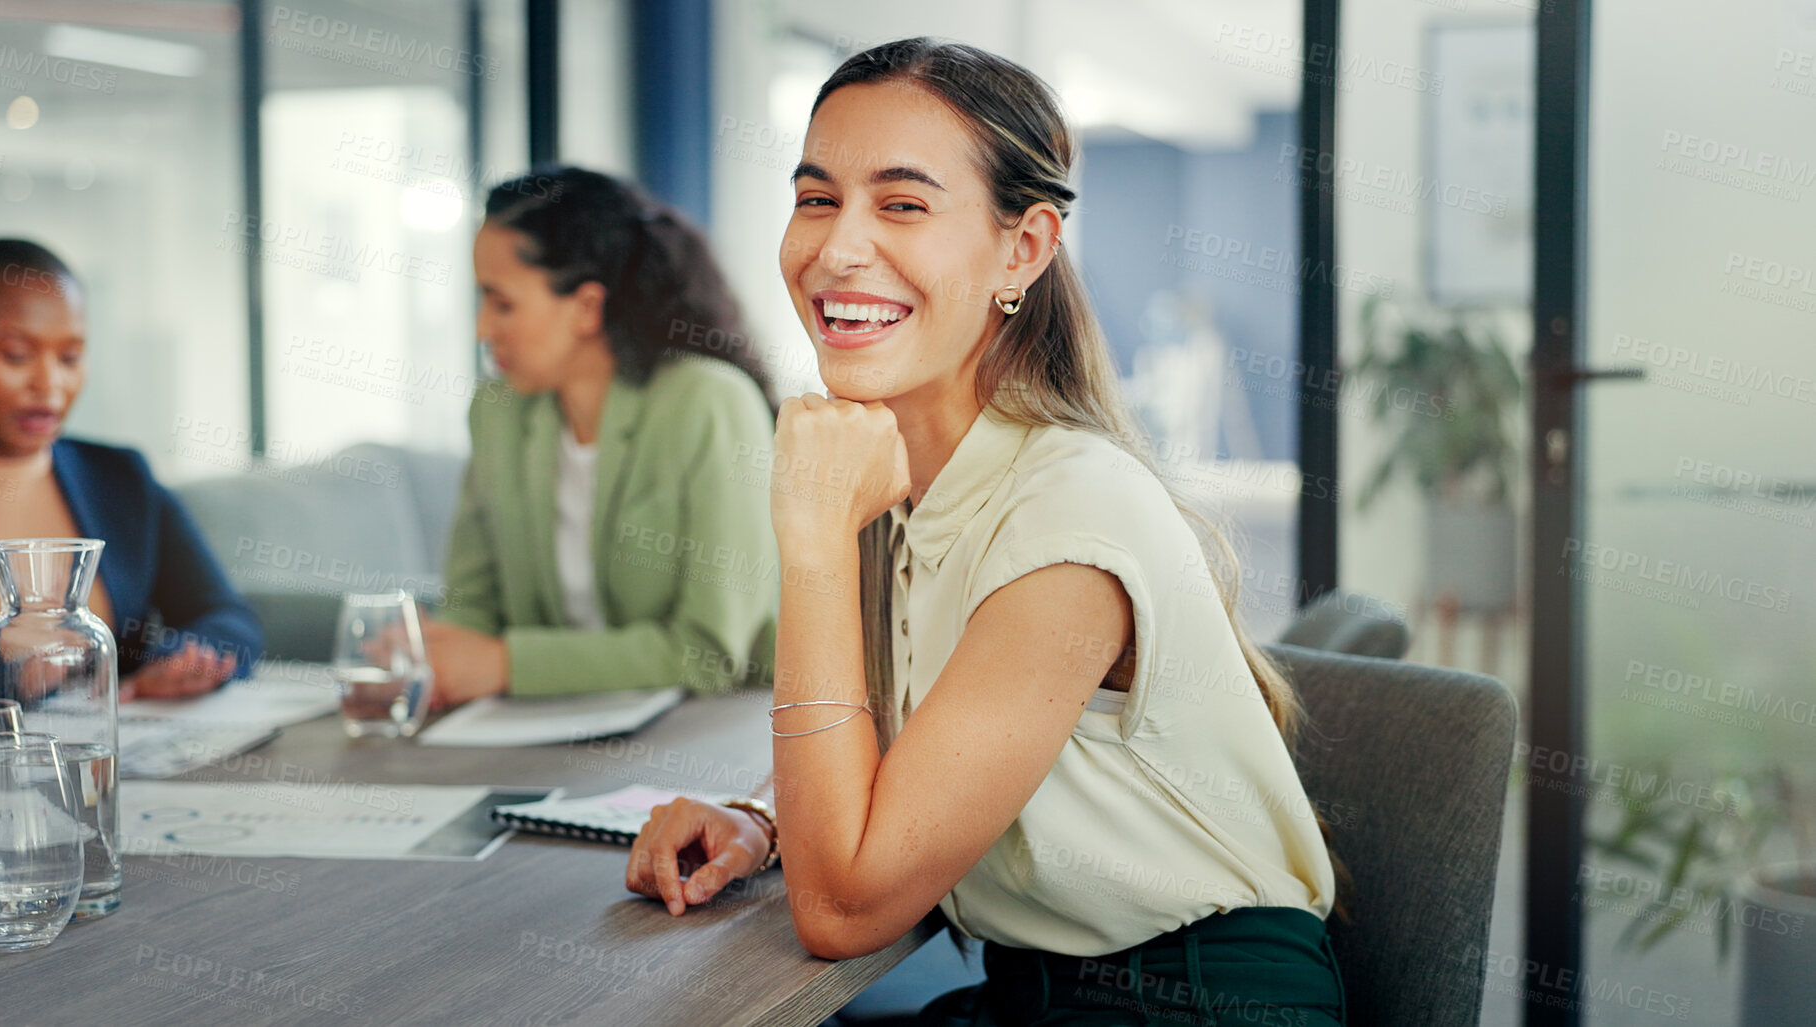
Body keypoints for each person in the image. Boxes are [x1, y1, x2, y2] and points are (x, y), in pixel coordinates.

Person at [625, 39, 1346, 1026]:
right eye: (817, 197)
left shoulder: (1067, 511)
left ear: (1024, 248)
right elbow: (896, 741)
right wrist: (761, 817)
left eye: (903, 204)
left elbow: (845, 908)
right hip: (1028, 989)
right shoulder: (909, 474)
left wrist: (815, 545)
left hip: (1188, 1005)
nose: (836, 248)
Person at [424, 168, 778, 706]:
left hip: (706, 727)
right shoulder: (495, 412)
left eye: (502, 303)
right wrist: (438, 656)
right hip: (542, 730)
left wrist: (505, 665)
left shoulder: (708, 403)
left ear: (587, 307)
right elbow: (472, 604)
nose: (481, 329)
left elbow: (709, 651)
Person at [0, 239, 262, 722]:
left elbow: (227, 617)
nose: (50, 383)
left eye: (71, 357)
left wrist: (187, 658)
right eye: (17, 355)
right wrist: (6, 682)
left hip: (117, 761)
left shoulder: (121, 477)